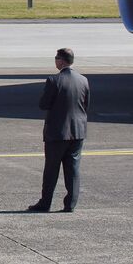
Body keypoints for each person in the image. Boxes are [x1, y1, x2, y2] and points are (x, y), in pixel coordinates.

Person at [29, 47, 90, 213]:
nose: (55, 60)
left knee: (51, 169)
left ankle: (45, 203)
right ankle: (70, 204)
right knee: (73, 169)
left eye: (56, 58)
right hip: (78, 131)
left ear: (61, 60)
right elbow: (85, 105)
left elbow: (44, 104)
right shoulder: (83, 80)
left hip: (57, 132)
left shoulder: (54, 80)